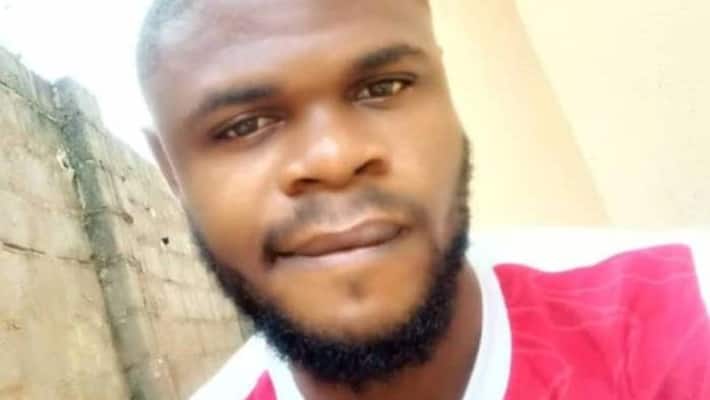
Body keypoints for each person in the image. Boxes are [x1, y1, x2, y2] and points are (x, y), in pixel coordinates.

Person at [136, 1, 710, 399]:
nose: (335, 157)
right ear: (171, 172)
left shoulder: (686, 310)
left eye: (383, 87)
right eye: (245, 125)